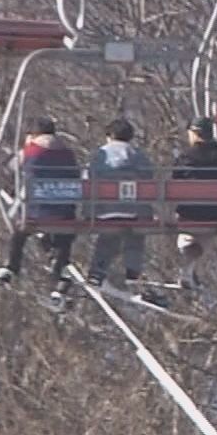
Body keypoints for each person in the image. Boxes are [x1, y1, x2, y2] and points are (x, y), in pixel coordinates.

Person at [0, 117, 81, 308]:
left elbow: (9, 168)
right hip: (64, 214)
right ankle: (59, 274)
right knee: (63, 236)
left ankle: (11, 267)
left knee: (20, 233)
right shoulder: (68, 154)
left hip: (36, 213)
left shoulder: (31, 151)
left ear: (33, 134)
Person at [85, 118, 164, 307]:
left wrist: (88, 211)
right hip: (133, 211)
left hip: (105, 210)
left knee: (108, 237)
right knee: (135, 235)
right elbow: (149, 179)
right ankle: (132, 272)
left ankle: (97, 271)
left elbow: (88, 179)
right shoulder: (137, 155)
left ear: (109, 136)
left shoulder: (101, 155)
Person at [170, 116, 217, 290]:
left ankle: (188, 268)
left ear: (195, 133)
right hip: (214, 212)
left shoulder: (185, 157)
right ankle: (191, 271)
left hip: (188, 212)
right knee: (204, 238)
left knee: (186, 239)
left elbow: (174, 185)